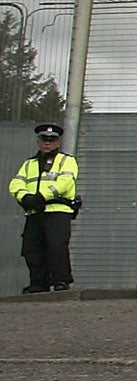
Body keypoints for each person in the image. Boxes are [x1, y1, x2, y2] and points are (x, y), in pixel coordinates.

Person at [10, 122, 78, 293]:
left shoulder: (66, 161)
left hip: (57, 211)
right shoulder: (29, 164)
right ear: (38, 142)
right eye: (44, 139)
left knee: (56, 246)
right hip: (34, 211)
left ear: (57, 142)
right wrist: (24, 196)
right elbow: (16, 183)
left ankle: (61, 280)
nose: (48, 142)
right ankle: (39, 283)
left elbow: (65, 182)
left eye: (52, 139)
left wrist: (42, 196)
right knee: (31, 249)